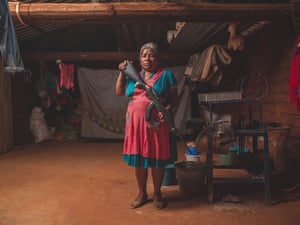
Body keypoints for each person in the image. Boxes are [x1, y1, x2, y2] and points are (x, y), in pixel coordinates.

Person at [116, 42, 178, 209]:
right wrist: (122, 73)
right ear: (140, 59)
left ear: (157, 58)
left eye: (151, 55)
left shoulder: (166, 75)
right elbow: (119, 92)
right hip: (135, 123)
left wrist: (167, 109)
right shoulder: (134, 76)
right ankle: (142, 193)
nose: (147, 58)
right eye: (144, 55)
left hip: (157, 122)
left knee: (157, 158)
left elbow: (174, 97)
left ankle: (157, 193)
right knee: (139, 159)